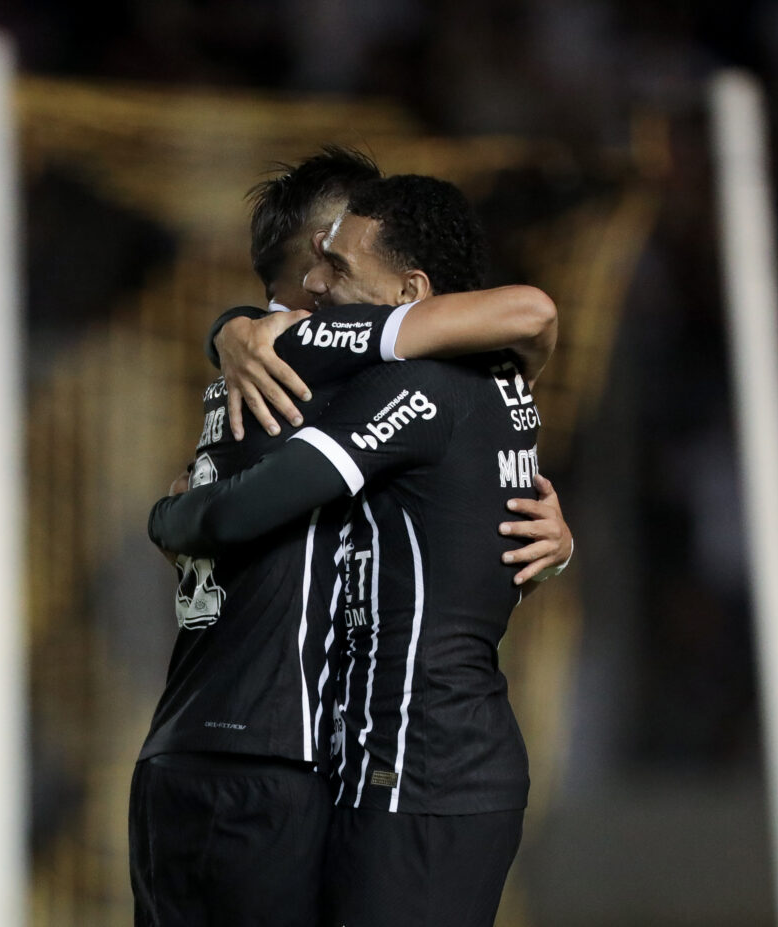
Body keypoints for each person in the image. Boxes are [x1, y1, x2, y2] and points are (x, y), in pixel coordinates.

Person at [134, 154, 572, 927]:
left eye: (344, 262)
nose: (325, 284)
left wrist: (169, 514)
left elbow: (523, 328)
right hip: (282, 758)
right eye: (325, 260)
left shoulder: (315, 369)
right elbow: (530, 317)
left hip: (234, 750)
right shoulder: (340, 357)